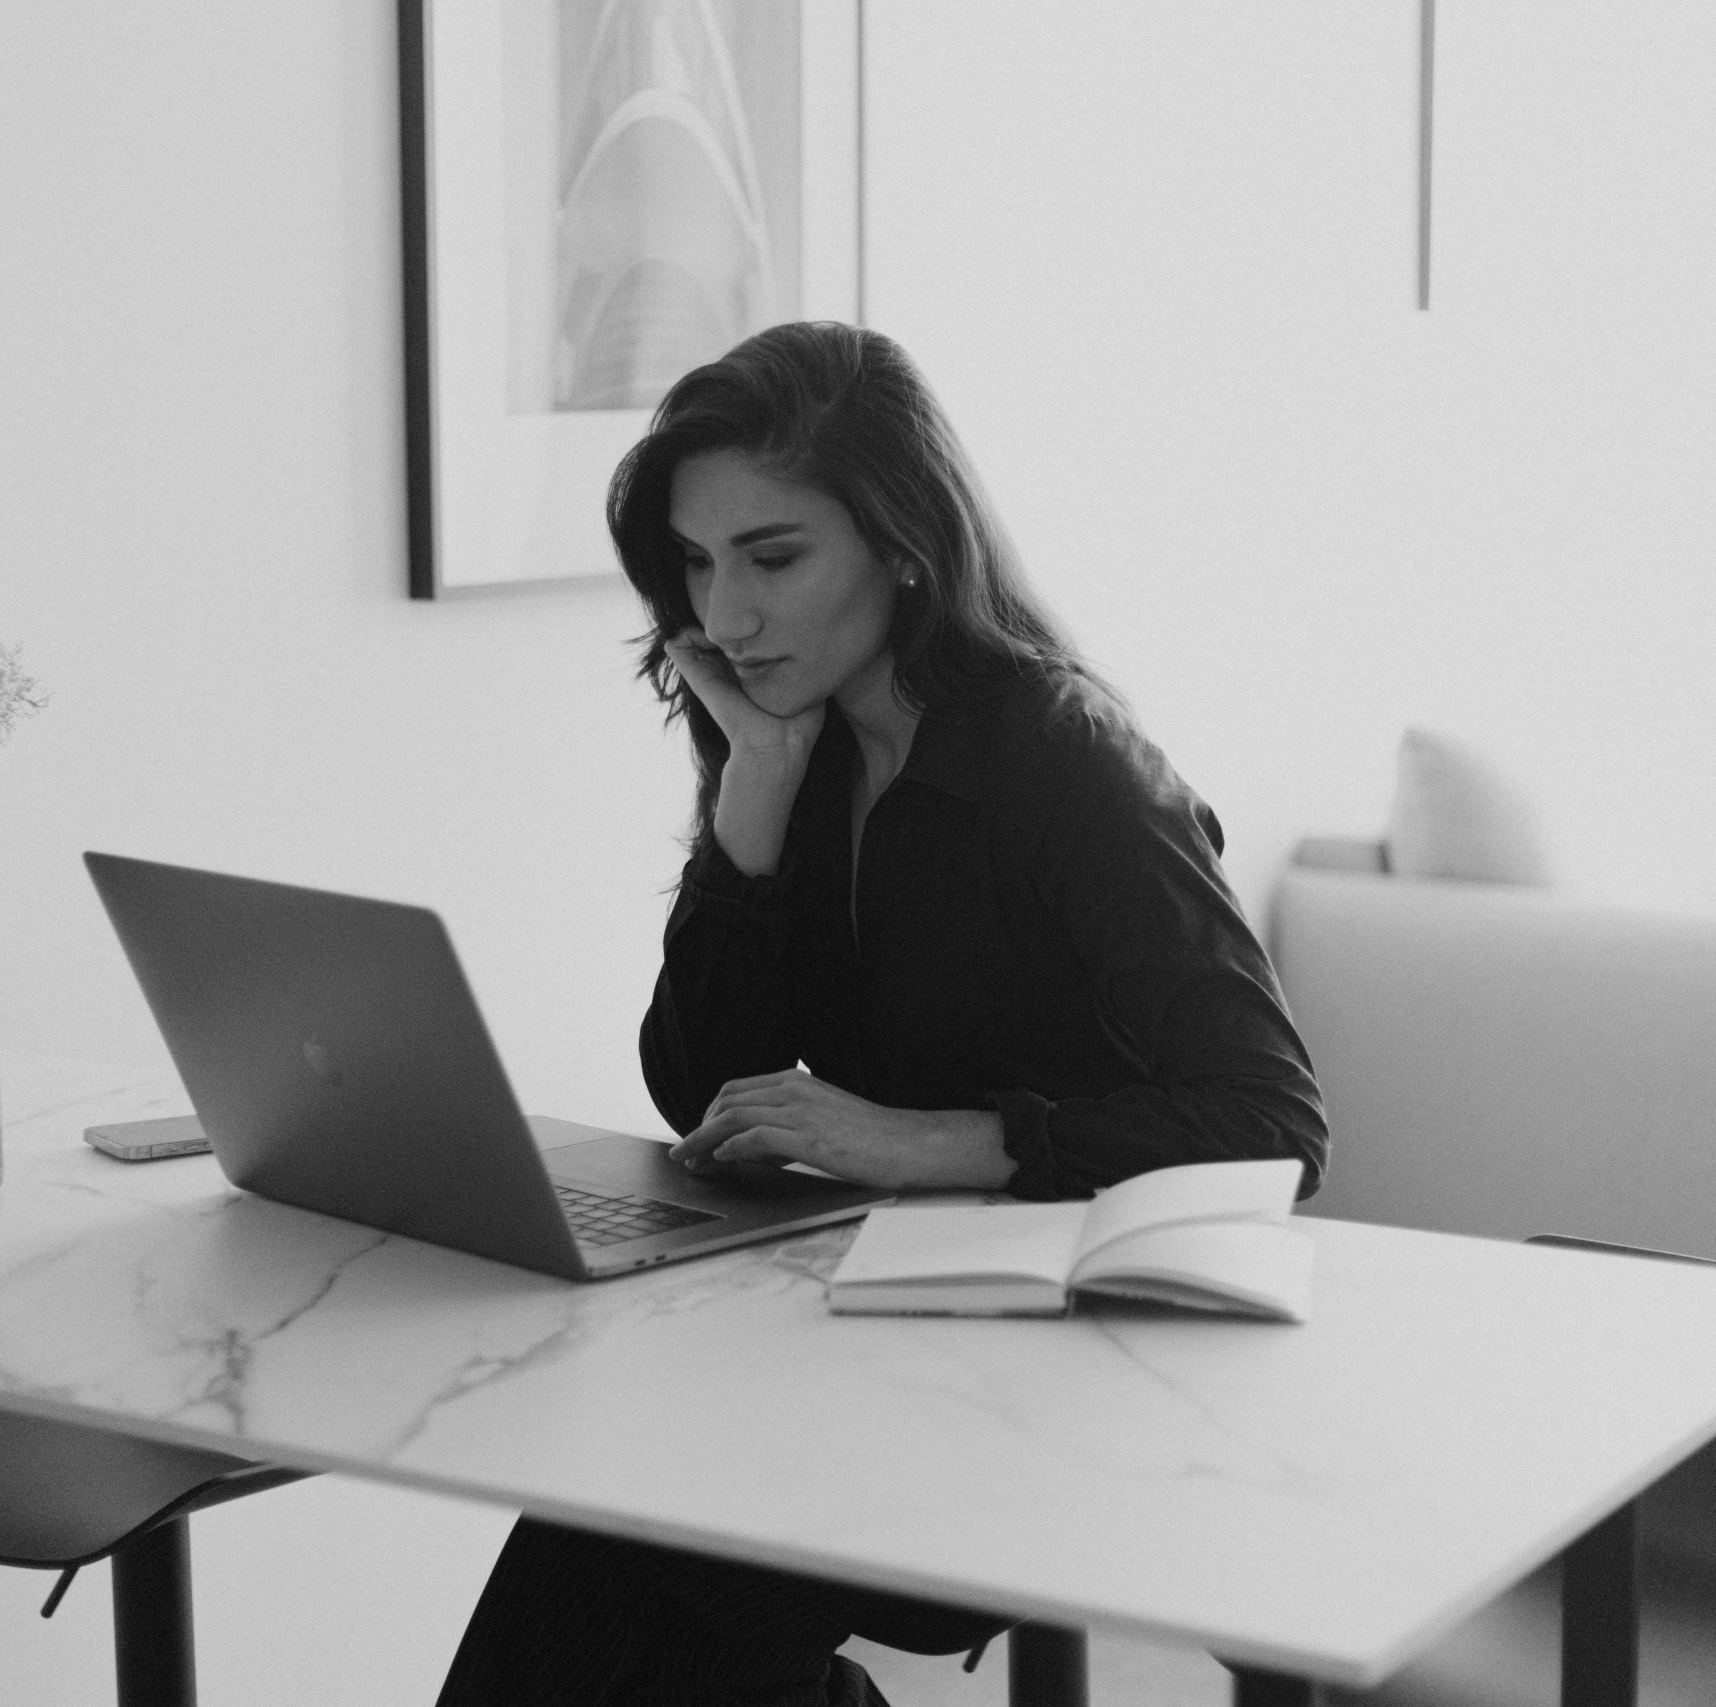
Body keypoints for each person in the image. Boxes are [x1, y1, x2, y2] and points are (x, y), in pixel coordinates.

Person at [434, 321, 1327, 1707]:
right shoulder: (796, 739)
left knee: (641, 1549)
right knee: (604, 1524)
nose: (725, 617)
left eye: (773, 557)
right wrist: (752, 813)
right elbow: (701, 1089)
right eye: (695, 563)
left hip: (1079, 1372)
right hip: (864, 1329)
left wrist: (929, 1143)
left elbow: (1272, 1121)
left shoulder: (1063, 759)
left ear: (903, 541)